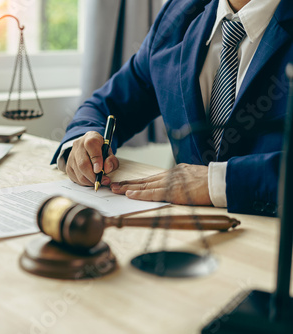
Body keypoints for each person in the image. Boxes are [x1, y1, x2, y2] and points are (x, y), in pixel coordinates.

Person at [51, 0, 293, 216]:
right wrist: (82, 140)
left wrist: (218, 183)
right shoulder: (178, 13)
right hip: (187, 235)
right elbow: (108, 104)